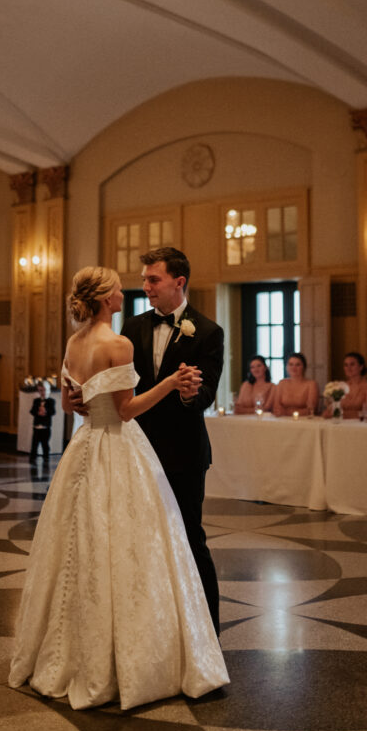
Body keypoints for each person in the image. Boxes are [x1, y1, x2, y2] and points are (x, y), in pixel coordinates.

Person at [9, 266, 228, 710]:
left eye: (150, 279)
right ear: (105, 296)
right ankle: (138, 652)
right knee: (135, 545)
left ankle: (73, 646)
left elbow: (74, 398)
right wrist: (169, 382)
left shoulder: (75, 342)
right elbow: (127, 410)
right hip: (119, 446)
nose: (129, 290)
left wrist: (77, 402)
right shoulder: (121, 340)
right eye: (118, 286)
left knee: (83, 542)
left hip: (85, 446)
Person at [119, 246, 224, 634]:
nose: (145, 286)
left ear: (178, 282)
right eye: (145, 279)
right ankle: (150, 624)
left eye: (153, 279)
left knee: (190, 539)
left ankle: (208, 631)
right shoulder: (131, 327)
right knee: (140, 539)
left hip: (184, 454)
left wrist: (188, 393)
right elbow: (122, 385)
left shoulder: (209, 331)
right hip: (138, 451)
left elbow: (207, 392)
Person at [322, 351, 367, 420]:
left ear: (361, 367)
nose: (348, 368)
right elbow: (330, 410)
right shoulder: (340, 386)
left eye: (352, 364)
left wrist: (340, 414)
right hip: (340, 423)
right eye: (346, 365)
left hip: (360, 425)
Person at [272, 352, 319, 417]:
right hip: (283, 419)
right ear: (287, 367)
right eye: (291, 364)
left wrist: (287, 412)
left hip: (304, 420)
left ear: (304, 367)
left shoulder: (311, 384)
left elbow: (311, 409)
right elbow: (276, 407)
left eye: (298, 365)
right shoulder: (281, 383)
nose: (294, 368)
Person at [29, 381, 55, 463]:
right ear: (38, 391)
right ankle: (33, 458)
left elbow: (53, 412)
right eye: (40, 390)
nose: (43, 392)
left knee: (45, 444)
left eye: (44, 390)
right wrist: (38, 412)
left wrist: (46, 411)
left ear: (48, 390)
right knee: (34, 443)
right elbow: (32, 411)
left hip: (46, 427)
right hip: (36, 426)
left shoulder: (51, 401)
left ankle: (46, 458)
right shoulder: (36, 401)